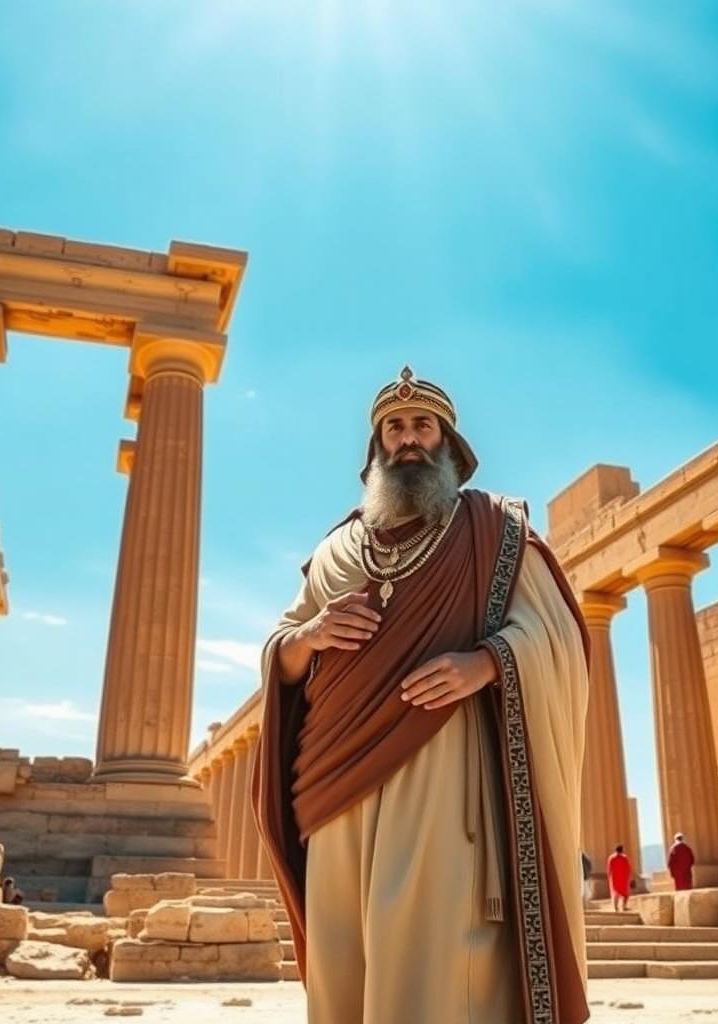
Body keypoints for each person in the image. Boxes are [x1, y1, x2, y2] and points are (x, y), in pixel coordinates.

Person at [251, 368, 591, 1024]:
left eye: (423, 426)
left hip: (438, 768)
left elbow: (557, 636)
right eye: (395, 428)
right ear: (377, 447)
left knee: (427, 958)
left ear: (448, 441)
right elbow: (283, 647)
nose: (409, 439)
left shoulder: (494, 530)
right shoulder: (335, 549)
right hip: (328, 781)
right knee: (342, 963)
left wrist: (487, 662)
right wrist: (313, 634)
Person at [606, 844, 632, 912]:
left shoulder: (611, 858)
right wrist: (629, 877)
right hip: (623, 879)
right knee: (625, 894)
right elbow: (628, 869)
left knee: (616, 893)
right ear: (622, 850)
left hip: (615, 878)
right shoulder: (624, 858)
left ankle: (616, 907)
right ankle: (624, 906)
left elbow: (609, 869)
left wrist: (609, 876)